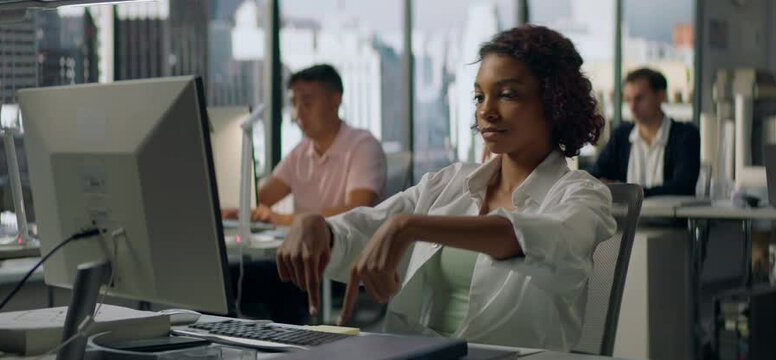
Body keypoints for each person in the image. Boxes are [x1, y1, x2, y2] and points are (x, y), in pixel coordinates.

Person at [274, 25, 617, 350]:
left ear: (554, 101)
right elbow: (366, 226)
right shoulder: (449, 183)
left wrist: (409, 227)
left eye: (508, 95)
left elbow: (531, 238)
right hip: (417, 352)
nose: (487, 111)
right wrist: (317, 226)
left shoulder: (583, 196)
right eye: (480, 97)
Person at [222, 64, 386, 226]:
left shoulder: (363, 146)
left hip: (353, 250)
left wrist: (283, 219)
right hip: (307, 250)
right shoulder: (300, 152)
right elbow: (259, 199)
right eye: (294, 104)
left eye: (307, 104)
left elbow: (356, 212)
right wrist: (231, 209)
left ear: (335, 101)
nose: (298, 114)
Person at [587, 68, 700, 196]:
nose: (632, 107)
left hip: (669, 215)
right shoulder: (621, 136)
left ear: (660, 96)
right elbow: (594, 176)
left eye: (639, 98)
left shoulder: (685, 136)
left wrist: (630, 193)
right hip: (623, 216)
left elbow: (683, 186)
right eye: (628, 100)